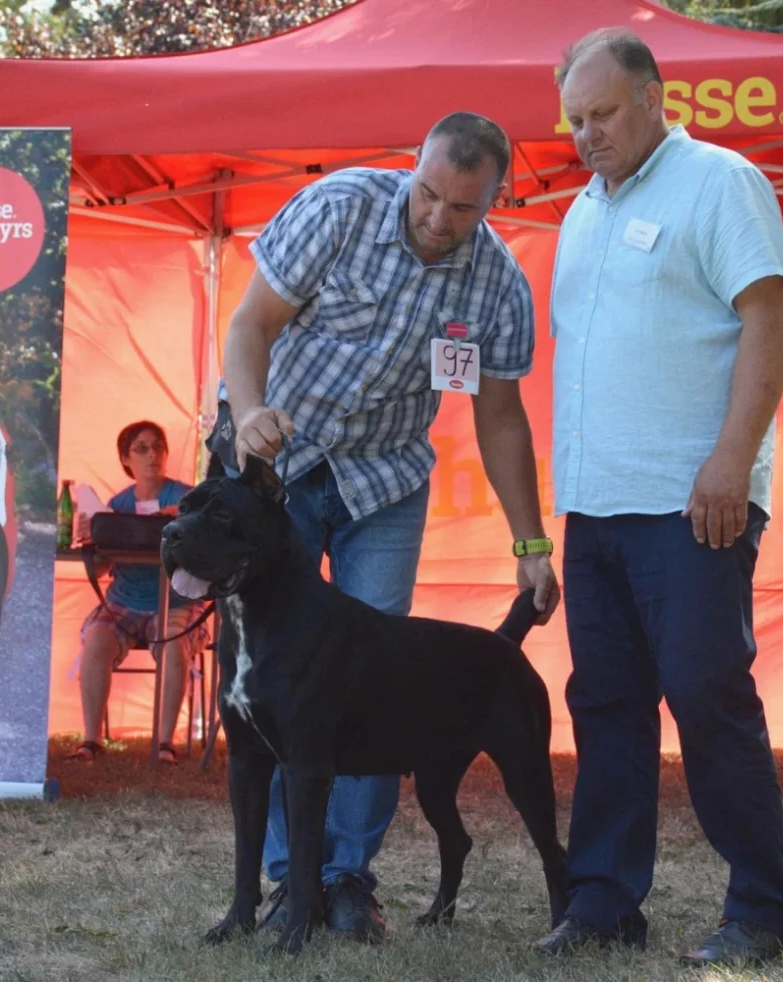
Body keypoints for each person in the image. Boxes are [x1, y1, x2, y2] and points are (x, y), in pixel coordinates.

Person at [212, 111, 560, 943]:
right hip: (278, 468)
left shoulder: (499, 285)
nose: (439, 221)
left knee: (370, 685)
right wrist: (251, 409)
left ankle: (344, 881)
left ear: (496, 201)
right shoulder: (337, 209)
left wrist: (531, 544)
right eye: (430, 195)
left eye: (464, 209)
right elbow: (250, 325)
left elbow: (501, 421)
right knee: (271, 687)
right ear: (414, 168)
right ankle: (284, 881)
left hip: (385, 483)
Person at [535, 29, 783, 967]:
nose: (588, 135)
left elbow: (770, 317)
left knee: (705, 692)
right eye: (576, 120)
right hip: (595, 506)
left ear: (653, 98)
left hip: (694, 501)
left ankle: (763, 912)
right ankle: (605, 901)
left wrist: (733, 461)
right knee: (605, 701)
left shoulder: (721, 181)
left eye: (603, 114)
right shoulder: (578, 214)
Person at [67, 420, 210, 765]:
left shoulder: (187, 497)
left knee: (174, 643)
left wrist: (182, 517)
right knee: (97, 640)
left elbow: (208, 532)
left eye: (158, 446)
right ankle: (91, 741)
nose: (153, 454)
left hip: (178, 601)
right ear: (125, 459)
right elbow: (99, 568)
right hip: (125, 601)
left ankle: (165, 745)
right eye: (142, 448)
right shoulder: (115, 505)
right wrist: (90, 535)